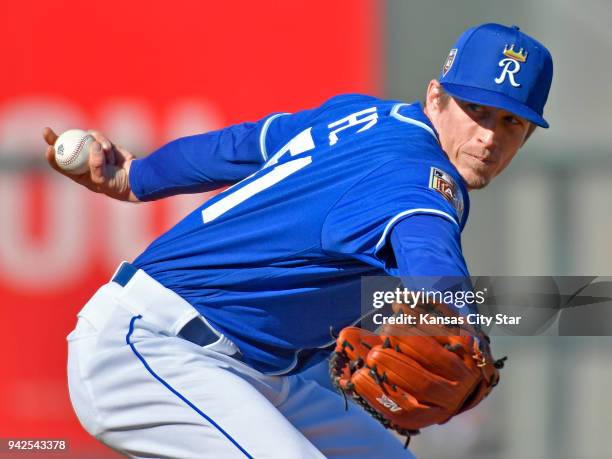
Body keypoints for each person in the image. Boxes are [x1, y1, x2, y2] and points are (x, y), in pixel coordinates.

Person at [45, 23, 553, 459]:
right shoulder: (420, 179)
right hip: (155, 349)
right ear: (435, 96)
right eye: (476, 109)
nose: (489, 136)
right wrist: (459, 324)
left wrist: (138, 176)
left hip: (256, 374)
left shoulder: (357, 117)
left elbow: (242, 145)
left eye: (511, 121)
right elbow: (430, 254)